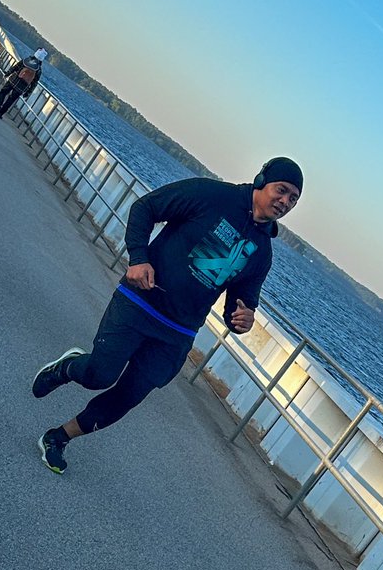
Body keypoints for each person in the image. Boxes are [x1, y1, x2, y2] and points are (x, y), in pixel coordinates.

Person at [32, 157, 304, 473]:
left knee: (126, 398)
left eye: (293, 199)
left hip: (177, 335)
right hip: (140, 303)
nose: (284, 202)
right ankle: (68, 367)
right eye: (281, 190)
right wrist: (138, 258)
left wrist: (241, 321)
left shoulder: (262, 252)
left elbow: (240, 305)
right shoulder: (211, 194)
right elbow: (145, 208)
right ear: (261, 181)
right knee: (100, 375)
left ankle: (58, 438)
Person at [0, 48, 48, 118]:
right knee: (11, 100)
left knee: (3, 91)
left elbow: (16, 67)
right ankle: (0, 113)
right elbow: (34, 83)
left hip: (14, 79)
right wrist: (28, 92)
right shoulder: (38, 70)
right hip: (22, 87)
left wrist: (8, 73)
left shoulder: (26, 60)